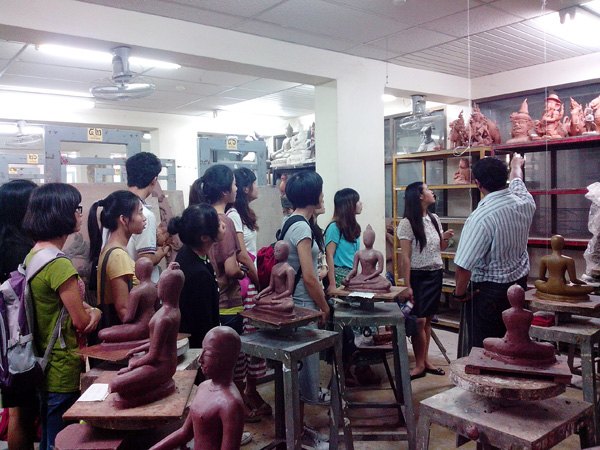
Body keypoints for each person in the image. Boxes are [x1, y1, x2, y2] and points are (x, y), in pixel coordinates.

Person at [22, 183, 102, 450]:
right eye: (76, 208)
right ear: (60, 214)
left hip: (41, 361)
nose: (80, 214)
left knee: (49, 435)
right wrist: (96, 312)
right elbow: (81, 322)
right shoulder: (58, 264)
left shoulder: (34, 254)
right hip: (62, 365)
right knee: (61, 440)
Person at [189, 165, 255, 442]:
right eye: (234, 184)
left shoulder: (201, 216)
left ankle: (210, 428)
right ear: (226, 190)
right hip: (228, 303)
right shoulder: (223, 221)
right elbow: (230, 268)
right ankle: (231, 429)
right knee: (231, 372)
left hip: (210, 303)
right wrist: (244, 273)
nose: (238, 188)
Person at [453, 153, 535, 357]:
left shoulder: (481, 217)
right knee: (514, 345)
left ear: (478, 183)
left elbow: (464, 265)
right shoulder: (524, 200)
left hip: (489, 294)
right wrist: (516, 164)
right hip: (519, 288)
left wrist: (459, 293)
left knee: (487, 350)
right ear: (504, 178)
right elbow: (517, 179)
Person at [282, 171, 330, 450]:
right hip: (303, 306)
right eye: (320, 191)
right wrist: (323, 306)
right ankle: (298, 436)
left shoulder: (292, 221)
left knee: (300, 372)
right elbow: (310, 277)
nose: (323, 195)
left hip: (298, 304)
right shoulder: (301, 228)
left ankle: (298, 430)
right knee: (302, 373)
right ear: (313, 195)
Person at [148, 326, 245, 450]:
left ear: (227, 359)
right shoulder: (203, 387)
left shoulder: (231, 404)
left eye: (208, 354)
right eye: (202, 351)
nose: (200, 359)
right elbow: (185, 432)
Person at [225, 168, 271, 418]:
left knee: (256, 338)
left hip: (252, 281)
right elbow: (242, 254)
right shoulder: (233, 215)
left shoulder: (244, 214)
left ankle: (251, 390)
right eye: (254, 183)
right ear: (245, 188)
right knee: (245, 343)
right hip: (247, 283)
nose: (257, 187)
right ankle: (241, 394)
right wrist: (259, 279)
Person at [397, 182, 453, 379]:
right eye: (428, 189)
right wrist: (407, 286)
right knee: (419, 320)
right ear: (419, 196)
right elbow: (405, 257)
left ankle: (425, 361)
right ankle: (419, 364)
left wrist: (445, 238)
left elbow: (440, 248)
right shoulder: (407, 223)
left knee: (428, 319)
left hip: (435, 274)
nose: (432, 192)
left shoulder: (434, 219)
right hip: (418, 276)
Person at [109, 262, 183, 409]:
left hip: (163, 366)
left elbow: (154, 356)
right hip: (160, 361)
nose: (156, 286)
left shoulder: (165, 318)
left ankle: (156, 384)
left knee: (115, 384)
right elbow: (156, 341)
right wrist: (137, 350)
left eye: (160, 283)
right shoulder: (170, 310)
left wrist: (133, 366)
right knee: (128, 366)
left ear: (167, 288)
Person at [0, 179, 37, 450]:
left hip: (7, 341)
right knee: (22, 414)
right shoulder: (21, 251)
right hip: (19, 342)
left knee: (17, 411)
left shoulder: (6, 244)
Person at [324, 188, 373, 387]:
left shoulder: (354, 228)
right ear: (349, 205)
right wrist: (332, 284)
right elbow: (329, 256)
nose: (361, 204)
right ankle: (345, 370)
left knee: (364, 321)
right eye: (357, 201)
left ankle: (359, 366)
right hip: (338, 277)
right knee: (348, 326)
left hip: (351, 277)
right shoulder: (334, 228)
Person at [88, 191, 147, 328]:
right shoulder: (118, 256)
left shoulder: (113, 250)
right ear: (124, 219)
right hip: (123, 332)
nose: (144, 218)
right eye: (140, 213)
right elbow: (123, 311)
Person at [168, 204, 223, 348]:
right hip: (199, 346)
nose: (222, 225)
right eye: (218, 223)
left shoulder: (190, 251)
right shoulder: (198, 274)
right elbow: (204, 324)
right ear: (204, 237)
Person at [125, 152, 170, 282]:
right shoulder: (144, 215)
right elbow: (146, 261)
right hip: (140, 286)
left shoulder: (114, 205)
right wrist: (162, 252)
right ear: (154, 180)